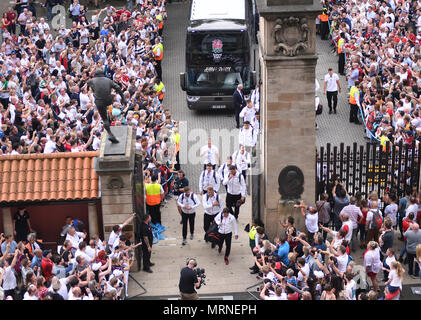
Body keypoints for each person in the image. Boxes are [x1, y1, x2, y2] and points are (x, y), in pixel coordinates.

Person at [87, 69, 127, 143]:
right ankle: (111, 121)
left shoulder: (91, 81)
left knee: (104, 119)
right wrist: (123, 98)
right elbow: (118, 87)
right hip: (108, 100)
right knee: (111, 104)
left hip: (99, 101)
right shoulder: (108, 80)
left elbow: (90, 85)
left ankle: (110, 134)